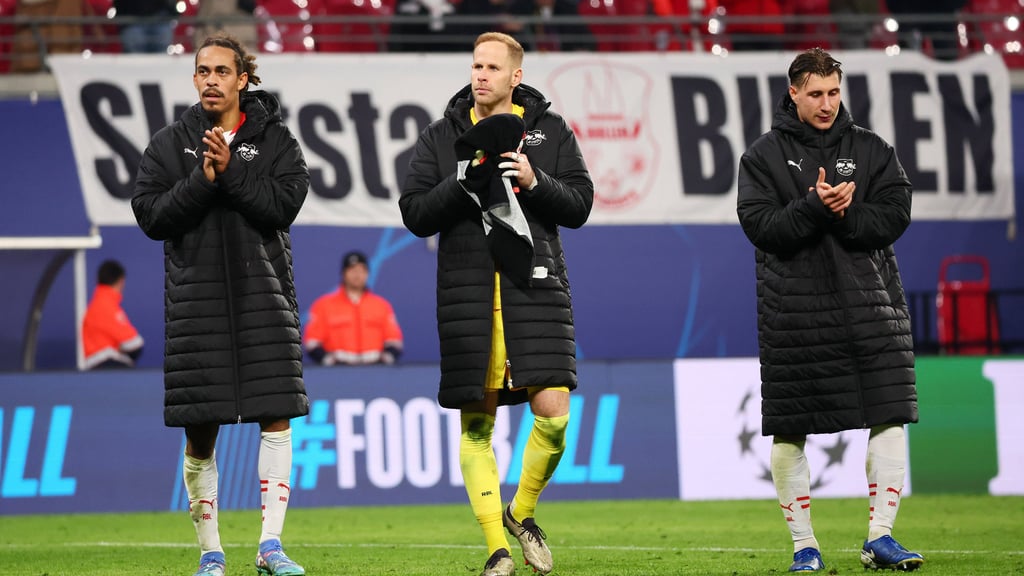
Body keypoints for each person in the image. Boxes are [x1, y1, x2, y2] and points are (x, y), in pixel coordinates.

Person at [399, 32, 593, 576]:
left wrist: (535, 180)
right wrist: (464, 182)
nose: (480, 75)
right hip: (469, 294)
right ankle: (497, 550)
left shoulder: (550, 132)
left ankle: (521, 512)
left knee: (554, 415)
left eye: (492, 67)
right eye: (475, 65)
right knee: (477, 427)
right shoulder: (442, 137)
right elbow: (414, 212)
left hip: (535, 287)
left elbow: (580, 204)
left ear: (515, 77)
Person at [737, 47, 923, 573]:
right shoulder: (763, 156)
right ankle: (805, 547)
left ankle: (881, 537)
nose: (825, 103)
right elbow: (761, 227)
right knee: (789, 427)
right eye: (815, 94)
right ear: (793, 92)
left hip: (871, 308)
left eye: (833, 92)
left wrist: (847, 213)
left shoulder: (871, 149)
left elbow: (895, 214)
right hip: (793, 315)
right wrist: (815, 206)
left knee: (891, 414)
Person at [131, 33, 309, 576]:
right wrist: (202, 180)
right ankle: (211, 552)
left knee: (275, 418)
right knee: (200, 428)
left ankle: (270, 547)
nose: (211, 79)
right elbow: (151, 215)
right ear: (195, 79)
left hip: (265, 300)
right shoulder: (169, 143)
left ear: (242, 79)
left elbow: (283, 206)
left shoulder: (277, 140)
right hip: (196, 309)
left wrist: (230, 171)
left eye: (221, 71)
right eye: (202, 71)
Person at [303, 250, 404, 365]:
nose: (357, 275)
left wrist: (383, 362)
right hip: (337, 374)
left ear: (368, 274)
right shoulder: (322, 305)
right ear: (343, 273)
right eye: (352, 270)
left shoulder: (382, 306)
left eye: (362, 270)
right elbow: (312, 343)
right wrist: (330, 363)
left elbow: (395, 342)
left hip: (375, 373)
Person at [81, 259, 144, 370]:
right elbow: (135, 345)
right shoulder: (107, 306)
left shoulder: (94, 307)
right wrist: (120, 349)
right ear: (121, 281)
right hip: (110, 370)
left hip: (93, 371)